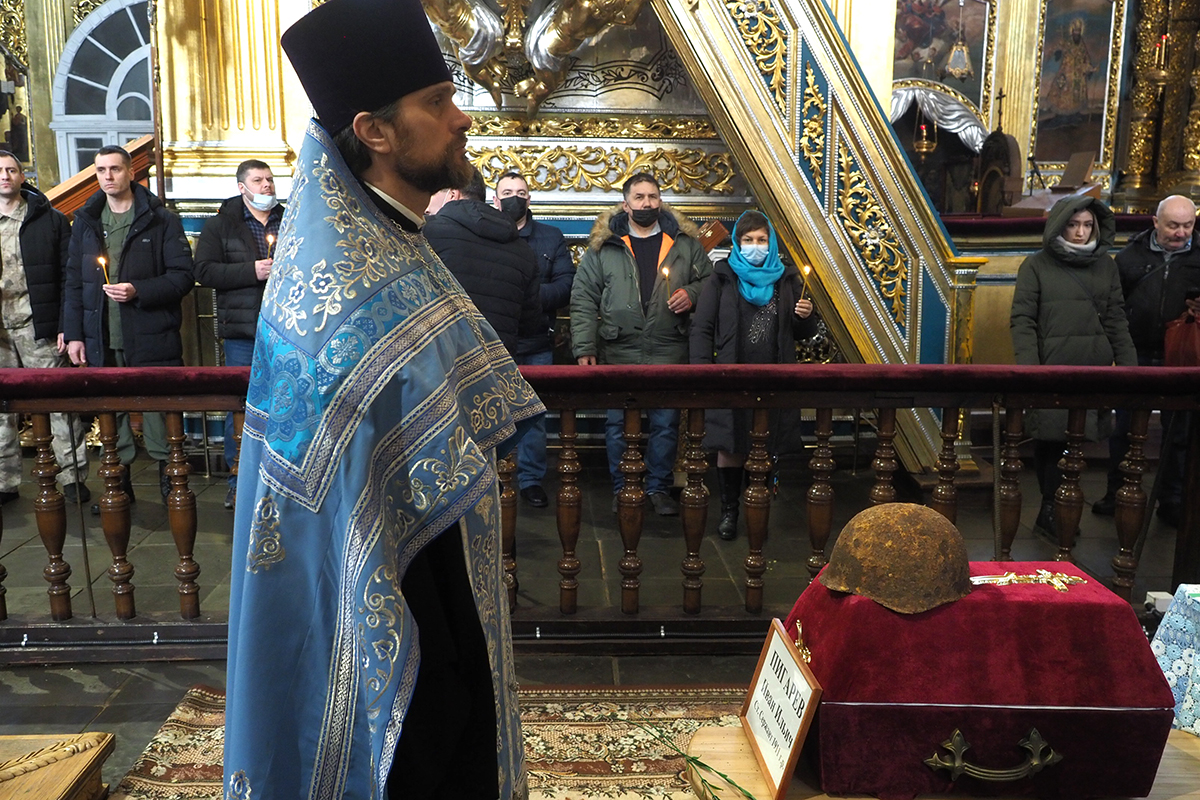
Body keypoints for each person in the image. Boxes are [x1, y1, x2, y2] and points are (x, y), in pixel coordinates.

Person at [224, 1, 544, 798]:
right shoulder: (340, 279)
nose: (461, 118)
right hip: (396, 602)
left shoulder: (396, 240)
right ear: (374, 131)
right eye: (438, 101)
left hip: (435, 566)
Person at [61, 144, 194, 513]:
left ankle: (171, 482)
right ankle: (118, 484)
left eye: (115, 169)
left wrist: (139, 290)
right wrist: (74, 334)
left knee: (158, 410)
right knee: (111, 413)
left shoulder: (160, 219)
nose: (108, 176)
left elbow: (183, 276)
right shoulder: (86, 220)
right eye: (101, 170)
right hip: (101, 334)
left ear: (131, 172)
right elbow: (74, 282)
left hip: (151, 333)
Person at [571, 172, 713, 516]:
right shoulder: (605, 247)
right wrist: (584, 346)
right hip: (619, 348)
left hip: (669, 347)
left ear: (660, 201)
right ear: (626, 204)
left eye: (652, 197)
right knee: (618, 425)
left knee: (665, 424)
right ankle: (623, 487)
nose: (646, 203)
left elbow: (710, 283)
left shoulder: (684, 244)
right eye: (639, 197)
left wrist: (691, 294)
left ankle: (658, 488)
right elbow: (583, 297)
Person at [1010, 195, 1136, 541]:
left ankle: (1063, 505)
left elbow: (1116, 318)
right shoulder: (1036, 266)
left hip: (1092, 367)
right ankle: (1051, 507)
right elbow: (1023, 321)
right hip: (1051, 368)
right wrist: (1031, 370)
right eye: (1073, 224)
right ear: (1059, 225)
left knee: (1077, 441)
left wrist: (1130, 368)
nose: (1081, 232)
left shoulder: (1105, 266)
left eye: (1087, 225)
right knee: (1050, 439)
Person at [689, 210, 817, 539]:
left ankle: (756, 510)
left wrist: (805, 317)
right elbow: (702, 328)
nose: (755, 246)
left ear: (771, 243)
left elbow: (803, 332)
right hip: (731, 377)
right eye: (748, 240)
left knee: (764, 445)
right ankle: (730, 512)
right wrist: (702, 372)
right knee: (730, 444)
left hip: (774, 378)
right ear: (737, 243)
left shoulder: (786, 280)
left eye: (762, 240)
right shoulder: (722, 277)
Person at [1094, 195, 1200, 527]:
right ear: (1156, 222)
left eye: (1188, 225)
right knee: (1124, 429)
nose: (1181, 233)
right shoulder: (1130, 256)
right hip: (1136, 351)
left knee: (1179, 433)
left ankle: (1172, 500)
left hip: (1181, 353)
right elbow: (1113, 304)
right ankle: (1117, 492)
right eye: (1173, 225)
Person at [0, 149, 90, 504]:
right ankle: (4, 481)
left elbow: (69, 277)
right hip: (0, 330)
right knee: (1, 410)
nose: (5, 176)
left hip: (39, 324)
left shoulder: (49, 219)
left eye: (11, 170)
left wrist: (67, 325)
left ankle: (72, 477)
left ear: (22, 176)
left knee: (58, 404)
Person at [193, 159, 282, 511]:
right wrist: (252, 271)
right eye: (258, 180)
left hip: (287, 327)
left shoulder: (289, 218)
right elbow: (204, 271)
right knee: (242, 405)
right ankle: (238, 480)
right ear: (242, 187)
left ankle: (281, 481)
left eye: (270, 179)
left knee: (285, 402)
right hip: (243, 330)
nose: (267, 185)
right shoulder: (221, 225)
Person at [495, 170, 574, 508]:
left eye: (521, 192)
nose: (515, 197)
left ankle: (530, 480)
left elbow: (566, 285)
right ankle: (498, 477)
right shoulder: (486, 236)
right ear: (495, 200)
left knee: (534, 418)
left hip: (538, 341)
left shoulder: (550, 237)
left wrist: (526, 296)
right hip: (497, 342)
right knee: (495, 414)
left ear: (529, 198)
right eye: (507, 193)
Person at [423, 166, 542, 356]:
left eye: (433, 192)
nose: (427, 204)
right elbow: (530, 323)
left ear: (453, 194)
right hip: (499, 363)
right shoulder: (523, 249)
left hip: (443, 360)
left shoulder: (427, 234)